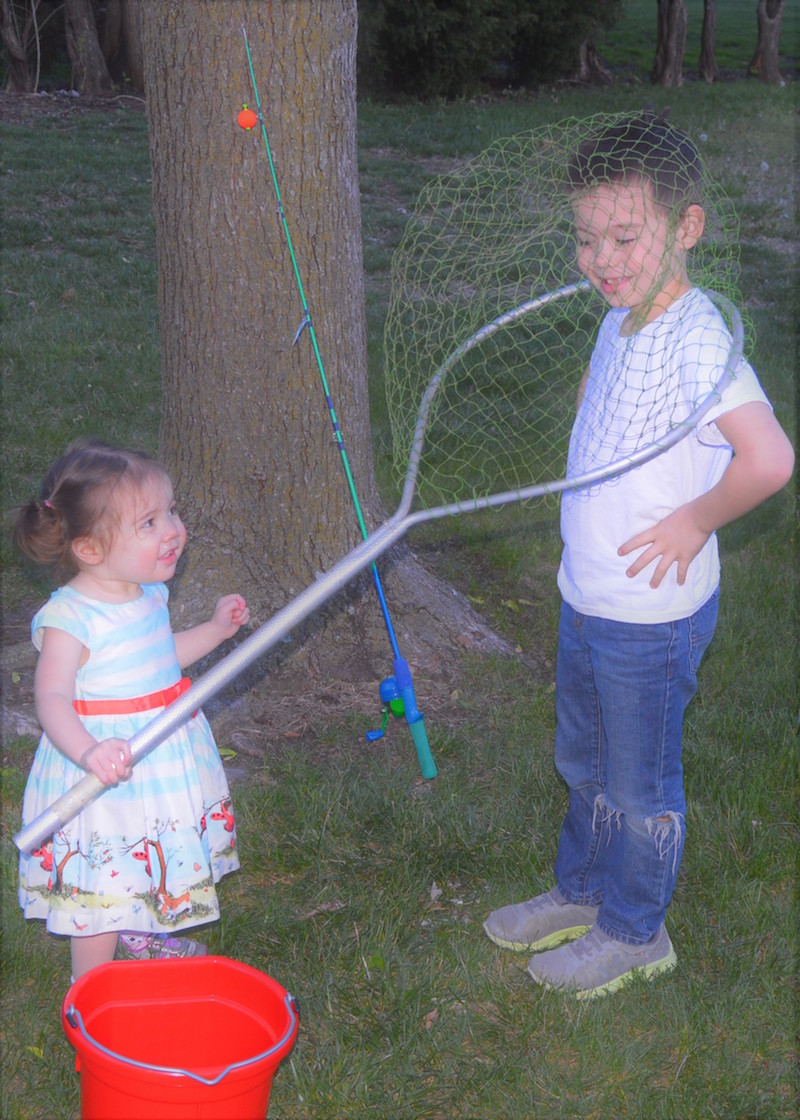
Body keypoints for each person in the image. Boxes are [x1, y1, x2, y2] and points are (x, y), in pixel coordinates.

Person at [483, 113, 794, 998]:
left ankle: (634, 930)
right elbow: (601, 406)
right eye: (586, 239)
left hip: (649, 619)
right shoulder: (618, 319)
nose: (601, 259)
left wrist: (695, 520)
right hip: (588, 596)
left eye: (625, 237)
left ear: (686, 227)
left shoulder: (698, 341)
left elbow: (770, 459)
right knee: (584, 766)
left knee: (639, 783)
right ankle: (582, 890)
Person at [14, 438, 250, 981]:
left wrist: (216, 630)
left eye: (171, 511)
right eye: (149, 523)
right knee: (104, 875)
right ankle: (88, 989)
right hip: (104, 768)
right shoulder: (71, 617)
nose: (173, 530)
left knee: (150, 854)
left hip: (158, 756)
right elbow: (51, 697)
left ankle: (141, 929)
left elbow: (162, 657)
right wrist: (88, 751)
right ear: (90, 549)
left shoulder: (148, 594)